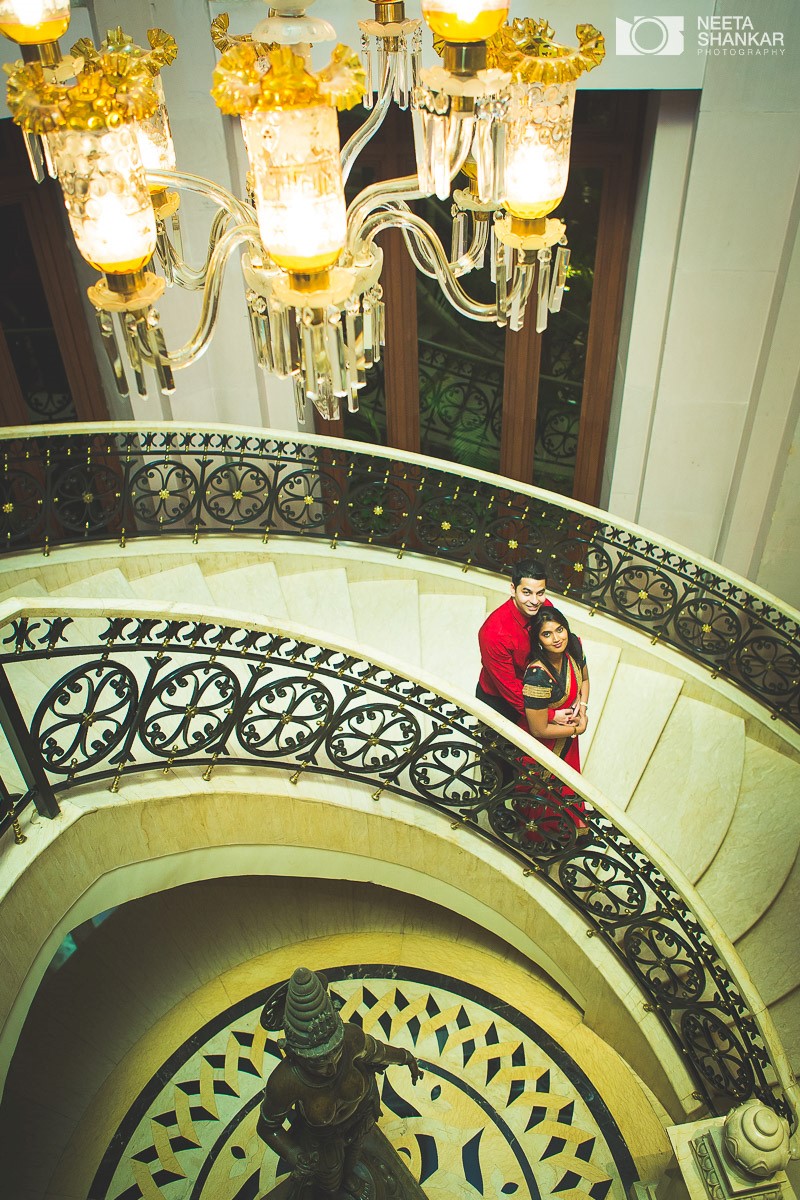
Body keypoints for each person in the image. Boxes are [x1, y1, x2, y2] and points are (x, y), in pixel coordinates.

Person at [257, 967, 423, 1200]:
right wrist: (294, 1154)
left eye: (335, 1053)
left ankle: (350, 1178)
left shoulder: (350, 1038)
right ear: (295, 1054)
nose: (332, 1067)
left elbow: (379, 1052)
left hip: (362, 1111)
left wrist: (406, 1057)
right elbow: (267, 1127)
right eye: (317, 1062)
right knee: (329, 1183)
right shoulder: (285, 1082)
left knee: (355, 1152)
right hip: (324, 1140)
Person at [521, 607, 590, 837]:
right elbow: (538, 728)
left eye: (560, 630)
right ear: (538, 640)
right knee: (545, 792)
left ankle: (569, 826)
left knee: (568, 783)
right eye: (547, 634)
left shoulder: (574, 645)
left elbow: (586, 679)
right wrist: (576, 728)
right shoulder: (537, 675)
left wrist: (582, 706)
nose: (557, 638)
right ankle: (542, 834)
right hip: (546, 745)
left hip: (568, 737)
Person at [476, 557, 554, 727]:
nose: (535, 601)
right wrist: (550, 714)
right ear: (513, 589)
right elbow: (510, 690)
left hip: (533, 689)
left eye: (540, 593)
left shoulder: (545, 607)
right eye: (526, 592)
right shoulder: (494, 633)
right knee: (496, 752)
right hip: (498, 703)